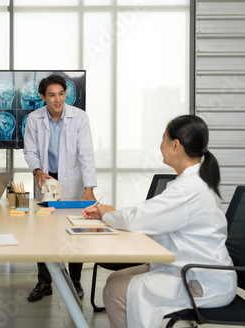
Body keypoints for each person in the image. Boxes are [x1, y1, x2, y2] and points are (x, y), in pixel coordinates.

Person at [82, 115, 237, 328]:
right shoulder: (191, 182)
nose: (160, 145)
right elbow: (147, 215)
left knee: (113, 291)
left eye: (163, 139)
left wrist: (108, 213)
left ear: (175, 146)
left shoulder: (189, 189)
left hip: (201, 281)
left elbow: (140, 218)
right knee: (114, 279)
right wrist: (110, 213)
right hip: (190, 268)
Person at [23, 74, 97, 302]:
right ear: (43, 97)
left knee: (76, 230)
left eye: (61, 94)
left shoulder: (79, 117)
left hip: (72, 180)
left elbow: (86, 153)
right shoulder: (34, 119)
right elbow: (30, 151)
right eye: (52, 95)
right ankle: (44, 282)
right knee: (43, 231)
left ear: (66, 94)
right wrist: (37, 170)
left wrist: (89, 186)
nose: (57, 100)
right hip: (45, 179)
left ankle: (74, 281)